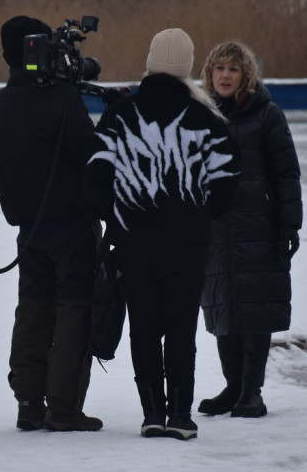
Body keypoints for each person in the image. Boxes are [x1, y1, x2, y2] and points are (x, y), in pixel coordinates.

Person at [86, 28, 241, 440]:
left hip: (134, 239)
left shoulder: (121, 114)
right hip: (190, 242)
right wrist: (203, 216)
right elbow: (227, 181)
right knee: (180, 328)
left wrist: (115, 218)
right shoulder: (207, 119)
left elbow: (96, 174)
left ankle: (152, 412)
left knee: (144, 326)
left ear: (152, 62)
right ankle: (181, 415)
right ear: (187, 67)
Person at [0, 15, 103, 432]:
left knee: (33, 311)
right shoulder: (61, 100)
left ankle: (28, 404)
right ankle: (64, 408)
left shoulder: (2, 102)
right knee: (73, 312)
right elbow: (91, 154)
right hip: (71, 225)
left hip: (29, 228)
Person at [197, 41, 303, 418]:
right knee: (221, 308)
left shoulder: (267, 115)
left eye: (233, 69)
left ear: (246, 76)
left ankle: (251, 391)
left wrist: (289, 224)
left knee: (255, 308)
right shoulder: (201, 114)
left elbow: (286, 174)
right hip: (214, 230)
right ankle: (232, 386)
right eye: (219, 69)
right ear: (209, 74)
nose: (225, 76)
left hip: (258, 225)